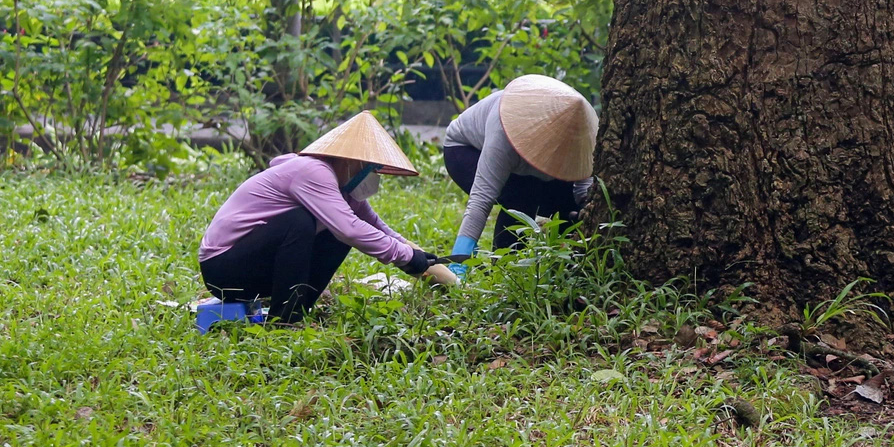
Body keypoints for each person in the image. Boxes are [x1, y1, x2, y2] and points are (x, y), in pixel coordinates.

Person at [200, 112, 456, 323]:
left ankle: (297, 312)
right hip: (223, 269)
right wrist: (404, 256)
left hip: (255, 267)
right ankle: (283, 320)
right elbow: (351, 229)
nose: (373, 174)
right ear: (349, 161)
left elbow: (375, 227)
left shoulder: (346, 193)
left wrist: (418, 256)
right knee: (300, 221)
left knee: (337, 235)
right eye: (370, 167)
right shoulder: (313, 171)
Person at [443, 74, 597, 276]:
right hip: (465, 150)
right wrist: (459, 262)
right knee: (521, 197)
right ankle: (507, 273)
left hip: (527, 168)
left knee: (569, 206)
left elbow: (583, 187)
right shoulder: (503, 133)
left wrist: (585, 212)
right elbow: (481, 199)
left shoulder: (581, 136)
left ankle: (567, 270)